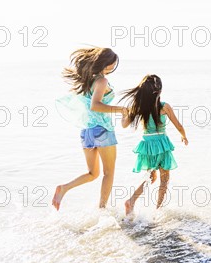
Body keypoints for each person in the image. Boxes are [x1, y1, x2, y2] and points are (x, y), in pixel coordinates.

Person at [52, 47, 127, 210]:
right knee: (108, 173)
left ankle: (63, 188)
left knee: (93, 173)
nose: (113, 67)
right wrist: (120, 109)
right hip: (102, 130)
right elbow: (95, 105)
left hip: (87, 132)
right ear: (106, 63)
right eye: (113, 63)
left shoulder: (88, 80)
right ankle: (102, 209)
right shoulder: (102, 81)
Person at [120, 74, 188, 215]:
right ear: (160, 91)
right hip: (161, 144)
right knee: (164, 179)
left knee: (151, 177)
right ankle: (158, 211)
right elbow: (179, 125)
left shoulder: (138, 107)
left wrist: (124, 113)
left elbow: (124, 124)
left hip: (147, 145)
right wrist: (183, 136)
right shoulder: (164, 107)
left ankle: (131, 200)